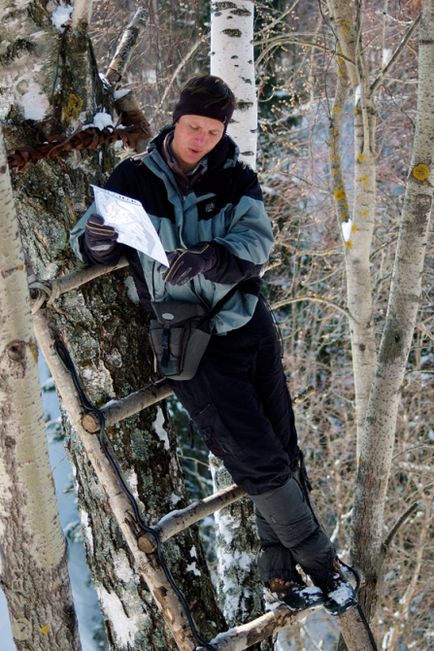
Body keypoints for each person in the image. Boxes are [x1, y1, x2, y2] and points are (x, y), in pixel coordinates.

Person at [70, 75, 356, 615]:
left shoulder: (234, 176)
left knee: (282, 449)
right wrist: (97, 241)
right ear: (174, 121)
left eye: (212, 128)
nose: (200, 137)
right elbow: (89, 237)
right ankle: (325, 568)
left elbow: (257, 242)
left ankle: (280, 577)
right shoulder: (133, 177)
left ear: (223, 130)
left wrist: (210, 256)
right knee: (259, 462)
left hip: (248, 324)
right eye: (192, 126)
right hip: (188, 342)